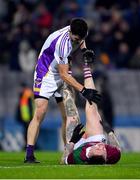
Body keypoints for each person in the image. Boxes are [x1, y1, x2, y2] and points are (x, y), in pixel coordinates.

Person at [24, 18, 101, 163]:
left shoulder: (80, 33)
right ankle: (29, 154)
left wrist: (84, 50)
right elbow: (64, 74)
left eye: (80, 39)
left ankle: (67, 152)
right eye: (76, 39)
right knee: (40, 113)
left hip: (62, 72)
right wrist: (83, 90)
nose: (78, 41)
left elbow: (81, 41)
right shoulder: (62, 44)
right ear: (71, 32)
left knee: (67, 116)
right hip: (45, 74)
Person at [63, 57, 121, 165]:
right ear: (106, 158)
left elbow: (63, 160)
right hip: (96, 137)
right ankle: (87, 65)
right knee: (91, 106)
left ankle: (67, 71)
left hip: (77, 144)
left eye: (97, 149)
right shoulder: (111, 155)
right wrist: (109, 132)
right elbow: (118, 149)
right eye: (103, 151)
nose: (102, 147)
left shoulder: (78, 156)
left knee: (71, 113)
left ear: (90, 154)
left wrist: (72, 141)